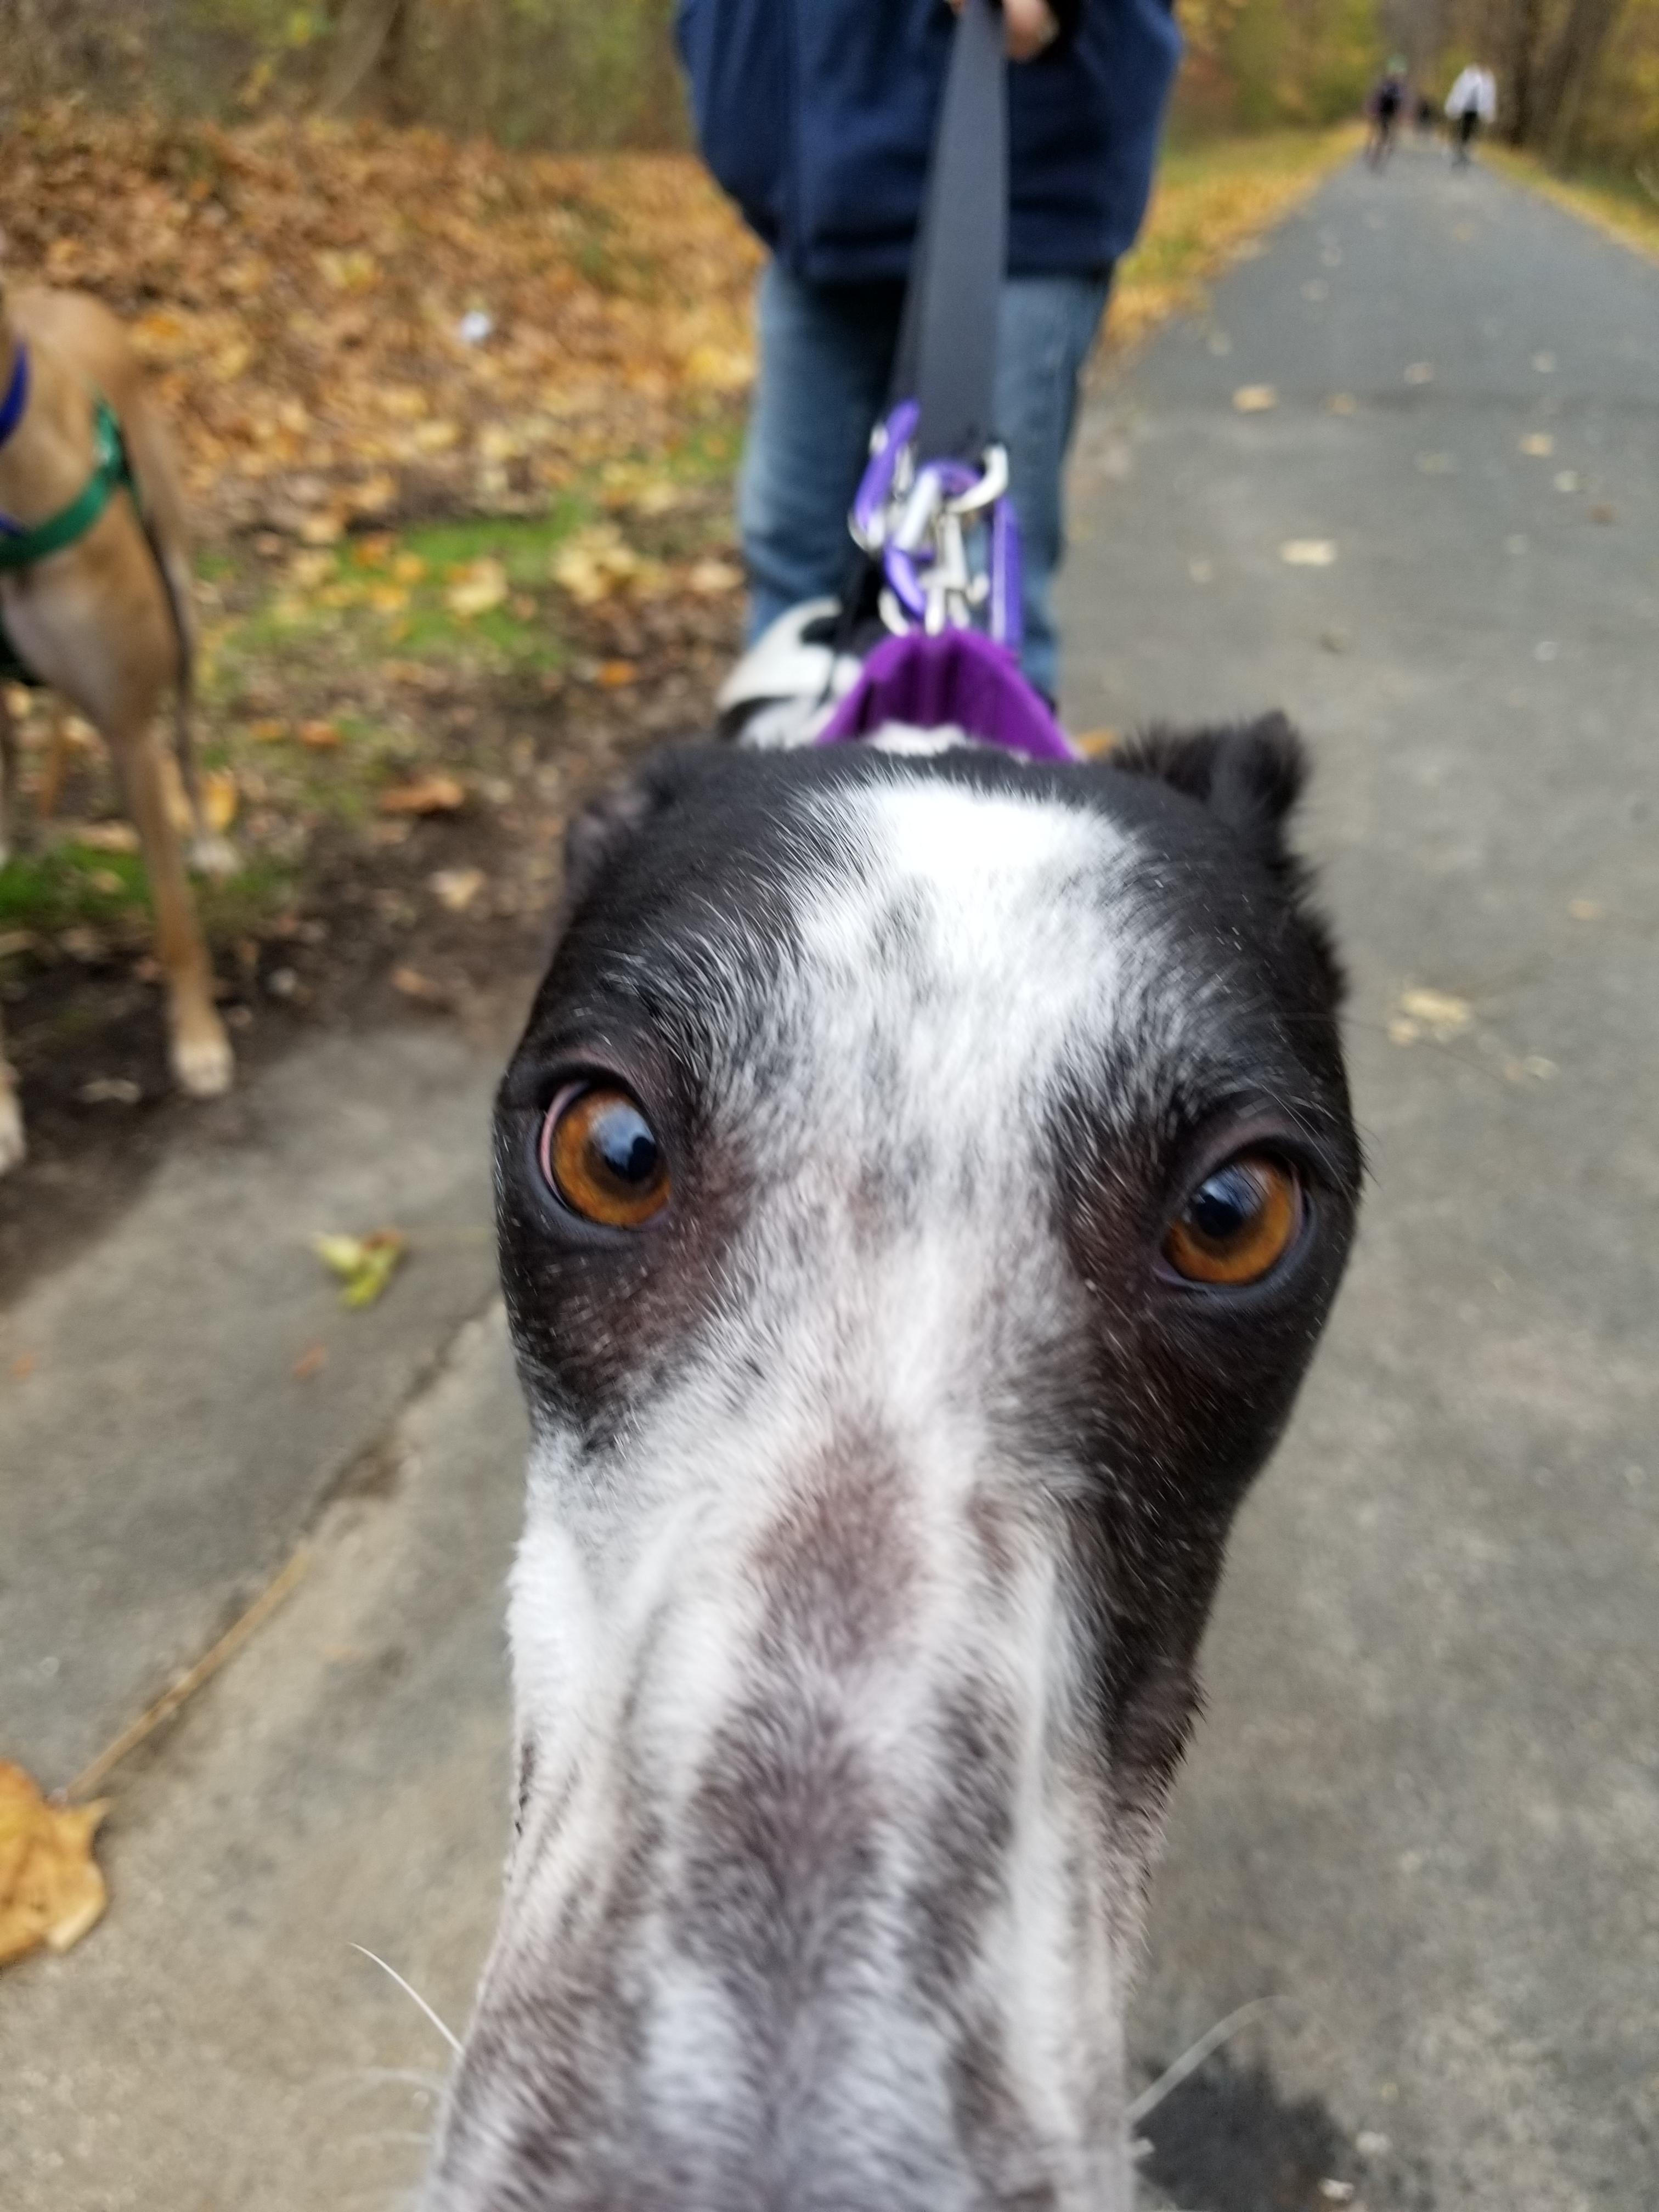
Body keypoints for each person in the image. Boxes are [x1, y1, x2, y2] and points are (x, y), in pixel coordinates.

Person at [676, 0, 1182, 704]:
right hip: (810, 208)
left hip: (1020, 182)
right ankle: (788, 789)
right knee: (792, 559)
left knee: (979, 579)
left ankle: (997, 777)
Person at [1445, 61, 1497, 163]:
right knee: (1460, 126)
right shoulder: (1467, 76)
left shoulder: (1487, 79)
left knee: (1472, 128)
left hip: (1477, 109)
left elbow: (1490, 97)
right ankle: (1457, 145)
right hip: (1464, 107)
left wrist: (1489, 111)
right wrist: (1453, 105)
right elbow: (1458, 91)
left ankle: (1467, 147)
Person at [1365, 59, 1406, 168]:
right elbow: (1377, 100)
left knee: (1385, 136)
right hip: (1381, 113)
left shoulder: (1398, 88)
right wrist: (1373, 111)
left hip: (1390, 115)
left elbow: (1400, 104)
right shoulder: (1386, 86)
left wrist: (1400, 115)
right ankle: (1373, 152)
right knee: (1378, 134)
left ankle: (1380, 153)